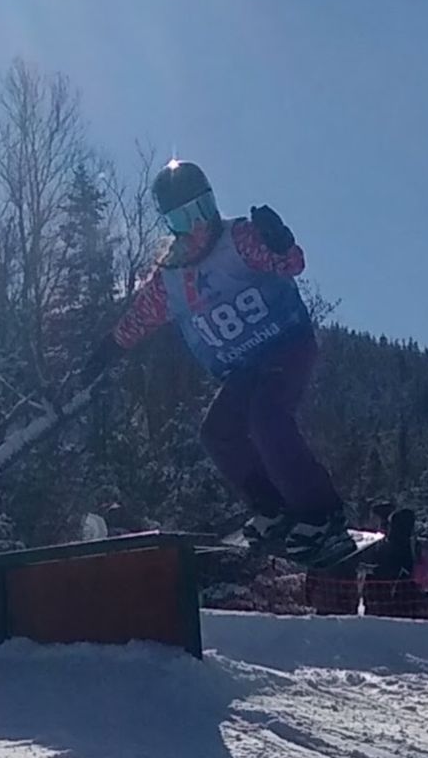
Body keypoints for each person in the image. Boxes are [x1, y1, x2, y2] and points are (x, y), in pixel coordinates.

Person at [82, 159, 352, 562]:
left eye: (202, 210)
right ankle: (272, 506)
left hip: (286, 344)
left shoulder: (238, 238)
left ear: (213, 203)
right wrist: (108, 351)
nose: (198, 226)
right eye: (184, 218)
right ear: (170, 225)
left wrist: (279, 243)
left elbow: (291, 265)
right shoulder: (171, 277)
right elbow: (140, 318)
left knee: (267, 418)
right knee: (217, 431)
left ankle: (320, 512)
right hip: (244, 364)